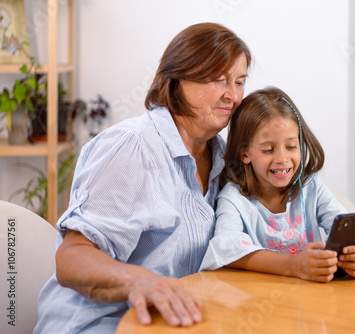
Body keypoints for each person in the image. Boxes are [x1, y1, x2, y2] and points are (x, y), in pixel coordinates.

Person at [34, 22, 251, 333]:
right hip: (100, 325)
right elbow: (72, 258)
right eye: (219, 80)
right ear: (178, 78)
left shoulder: (223, 155)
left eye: (240, 82)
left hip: (171, 323)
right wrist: (139, 280)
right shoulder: (132, 146)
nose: (233, 95)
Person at [200, 87, 355, 282]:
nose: (282, 158)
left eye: (291, 147)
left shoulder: (310, 187)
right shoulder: (233, 198)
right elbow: (226, 246)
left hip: (312, 301)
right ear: (245, 153)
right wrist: (293, 265)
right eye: (268, 149)